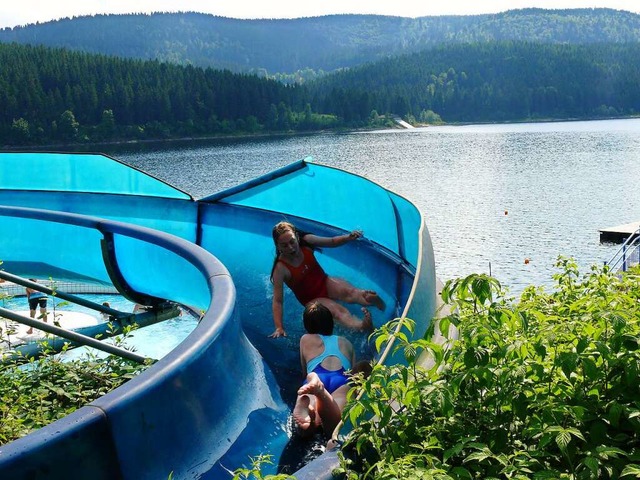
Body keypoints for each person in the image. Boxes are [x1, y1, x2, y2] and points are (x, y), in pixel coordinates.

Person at [269, 221, 385, 338]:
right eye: (284, 245)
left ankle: (373, 300)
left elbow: (332, 241)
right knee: (337, 311)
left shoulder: (306, 242)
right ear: (277, 246)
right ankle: (362, 325)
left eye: (292, 241)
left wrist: (348, 237)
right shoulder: (280, 269)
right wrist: (279, 327)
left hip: (325, 282)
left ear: (297, 237)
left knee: (350, 292)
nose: (290, 247)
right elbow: (278, 301)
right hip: (313, 299)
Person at [292, 301, 370, 438]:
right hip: (341, 380)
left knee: (305, 430)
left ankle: (311, 409)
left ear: (306, 325)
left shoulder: (306, 339)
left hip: (317, 374)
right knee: (335, 428)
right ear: (331, 323)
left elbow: (304, 371)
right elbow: (352, 376)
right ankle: (322, 394)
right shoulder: (347, 343)